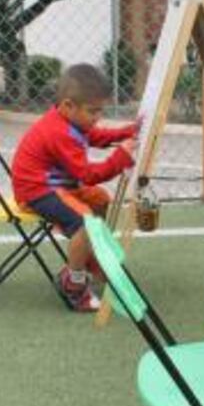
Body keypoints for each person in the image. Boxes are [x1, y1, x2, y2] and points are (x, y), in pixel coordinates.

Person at [11, 63, 139, 312]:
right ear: (68, 105)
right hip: (37, 191)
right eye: (93, 111)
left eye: (100, 111)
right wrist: (120, 158)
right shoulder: (59, 132)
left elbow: (96, 136)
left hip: (60, 186)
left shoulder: (73, 122)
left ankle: (85, 256)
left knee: (100, 200)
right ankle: (73, 283)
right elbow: (88, 174)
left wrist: (128, 131)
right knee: (84, 222)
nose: (97, 117)